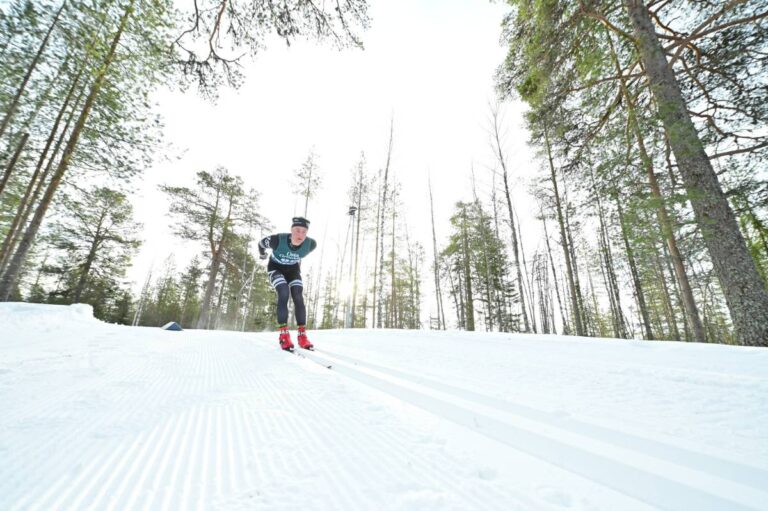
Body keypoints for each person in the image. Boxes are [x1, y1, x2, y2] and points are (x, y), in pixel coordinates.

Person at [258, 216, 317, 351]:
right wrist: (262, 254)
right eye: (297, 230)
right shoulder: (277, 240)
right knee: (284, 291)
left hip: (292, 270)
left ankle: (302, 335)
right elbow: (261, 244)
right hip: (275, 268)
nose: (300, 235)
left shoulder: (311, 244)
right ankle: (284, 334)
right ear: (291, 230)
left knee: (298, 294)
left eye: (304, 232)